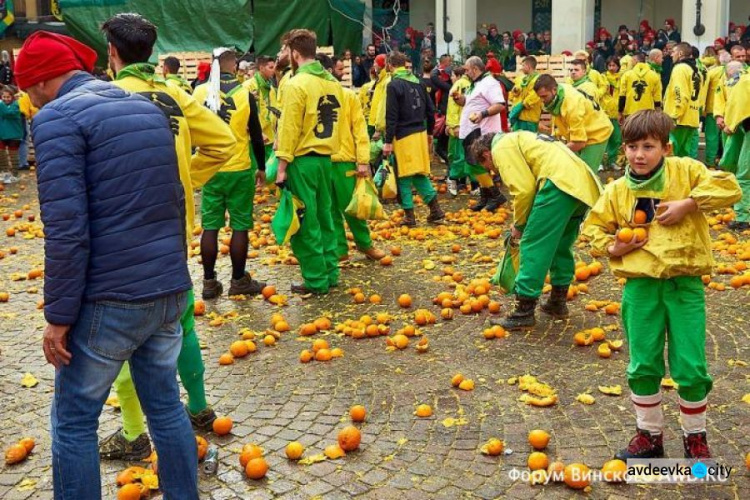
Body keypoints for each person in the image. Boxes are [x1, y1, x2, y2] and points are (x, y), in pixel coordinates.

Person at [16, 31, 200, 499]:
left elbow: (67, 229)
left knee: (74, 420)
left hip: (110, 300)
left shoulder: (56, 119)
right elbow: (175, 199)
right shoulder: (146, 108)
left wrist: (58, 318)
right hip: (166, 290)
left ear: (37, 84)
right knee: (166, 407)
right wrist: (173, 277)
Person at [100, 13, 236, 459]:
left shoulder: (106, 97)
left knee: (119, 334)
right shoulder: (175, 94)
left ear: (113, 53)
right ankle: (198, 408)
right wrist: (185, 181)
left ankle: (135, 433)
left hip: (123, 235)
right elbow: (223, 143)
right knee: (182, 322)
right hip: (173, 229)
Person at [583, 110, 740, 460]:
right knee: (643, 363)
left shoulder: (687, 171)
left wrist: (690, 203)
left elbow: (730, 187)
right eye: (632, 147)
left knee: (691, 365)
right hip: (641, 289)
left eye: (649, 146)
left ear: (666, 148)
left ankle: (695, 438)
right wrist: (613, 247)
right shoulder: (617, 190)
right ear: (623, 149)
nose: (639, 155)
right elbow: (592, 227)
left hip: (685, 286)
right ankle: (649, 435)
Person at [470, 131, 601, 330]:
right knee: (559, 245)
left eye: (487, 167)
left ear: (486, 155)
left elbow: (523, 190)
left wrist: (520, 226)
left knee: (533, 244)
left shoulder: (500, 148)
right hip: (582, 186)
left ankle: (523, 311)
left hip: (558, 185)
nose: (492, 171)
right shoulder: (521, 137)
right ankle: (557, 302)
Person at [193, 48, 268, 299]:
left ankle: (208, 282)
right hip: (238, 168)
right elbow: (256, 135)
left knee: (210, 226)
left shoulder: (200, 91)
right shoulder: (245, 93)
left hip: (210, 168)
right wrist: (261, 166)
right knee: (240, 226)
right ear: (233, 66)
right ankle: (238, 280)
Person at [275, 29, 344, 295]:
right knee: (326, 216)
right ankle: (331, 271)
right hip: (326, 159)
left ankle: (315, 279)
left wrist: (282, 166)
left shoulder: (296, 84)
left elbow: (289, 127)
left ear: (294, 53)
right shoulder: (332, 82)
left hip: (302, 160)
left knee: (305, 221)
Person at [315, 54, 385, 261]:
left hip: (344, 161)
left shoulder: (348, 96)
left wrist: (363, 161)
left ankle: (365, 244)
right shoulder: (308, 95)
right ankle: (339, 249)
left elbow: (360, 131)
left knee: (353, 207)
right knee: (328, 210)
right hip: (320, 160)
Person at [382, 52, 445, 227]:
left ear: (390, 65)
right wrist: (430, 133)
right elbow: (430, 110)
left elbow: (391, 116)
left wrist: (387, 141)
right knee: (418, 173)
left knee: (403, 175)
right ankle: (436, 210)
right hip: (420, 133)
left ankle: (409, 216)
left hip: (403, 135)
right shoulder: (419, 82)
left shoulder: (394, 85)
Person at [456, 56, 507, 212]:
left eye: (467, 69)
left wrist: (483, 114)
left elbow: (500, 105)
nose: (465, 73)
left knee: (476, 165)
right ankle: (486, 198)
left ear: (475, 69)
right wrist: (460, 99)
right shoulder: (475, 84)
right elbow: (470, 103)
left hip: (481, 131)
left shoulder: (490, 83)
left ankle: (496, 195)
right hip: (471, 131)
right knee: (475, 166)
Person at [533, 74, 613, 172]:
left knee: (586, 174)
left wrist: (557, 151)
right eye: (540, 97)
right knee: (574, 169)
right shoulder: (559, 92)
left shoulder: (572, 105)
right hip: (580, 133)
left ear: (554, 90)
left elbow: (579, 142)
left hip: (597, 132)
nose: (542, 100)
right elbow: (558, 118)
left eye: (544, 96)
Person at [720, 71, 750, 230]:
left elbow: (736, 108)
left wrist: (730, 124)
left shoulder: (743, 83)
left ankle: (743, 218)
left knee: (744, 175)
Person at [664, 43, 702, 158]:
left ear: (680, 54)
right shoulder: (695, 70)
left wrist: (675, 116)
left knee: (672, 154)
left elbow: (680, 94)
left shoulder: (680, 69)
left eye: (673, 52)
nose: (671, 55)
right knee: (685, 156)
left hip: (679, 119)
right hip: (691, 117)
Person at [244, 55, 278, 165]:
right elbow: (243, 113)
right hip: (254, 137)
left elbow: (275, 111)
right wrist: (257, 132)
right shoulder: (248, 86)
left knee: (269, 173)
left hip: (270, 137)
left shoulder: (271, 88)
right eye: (271, 67)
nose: (274, 70)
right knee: (256, 170)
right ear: (261, 68)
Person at [446, 66, 471, 196]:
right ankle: (453, 178)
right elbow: (452, 107)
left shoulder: (466, 84)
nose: (451, 77)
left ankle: (473, 184)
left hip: (466, 126)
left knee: (467, 156)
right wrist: (454, 125)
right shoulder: (461, 85)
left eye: (452, 75)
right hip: (463, 126)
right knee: (461, 156)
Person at [619, 52, 662, 122]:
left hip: (630, 111)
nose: (631, 62)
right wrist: (658, 111)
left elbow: (622, 95)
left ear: (635, 60)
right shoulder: (654, 75)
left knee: (632, 132)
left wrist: (620, 112)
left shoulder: (627, 75)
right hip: (648, 112)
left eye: (632, 60)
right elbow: (657, 96)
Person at [509, 56, 542, 132]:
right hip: (519, 117)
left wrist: (521, 105)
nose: (521, 68)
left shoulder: (538, 80)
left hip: (529, 119)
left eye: (523, 65)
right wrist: (516, 91)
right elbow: (513, 94)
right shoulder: (522, 78)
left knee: (529, 141)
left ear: (528, 66)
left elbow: (534, 96)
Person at [0, 86, 24, 184]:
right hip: (2, 133)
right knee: (1, 153)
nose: (6, 99)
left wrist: (1, 104)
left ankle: (14, 174)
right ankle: (5, 172)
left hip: (14, 134)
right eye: (4, 97)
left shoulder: (16, 105)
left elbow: (7, 113)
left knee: (13, 155)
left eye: (8, 97)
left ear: (12, 97)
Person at [602, 57, 622, 169]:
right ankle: (600, 162)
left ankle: (612, 161)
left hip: (617, 112)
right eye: (609, 65)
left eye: (614, 65)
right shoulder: (603, 77)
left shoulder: (621, 78)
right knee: (603, 137)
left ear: (618, 66)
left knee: (616, 138)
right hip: (605, 111)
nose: (611, 68)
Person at [16, 89, 37, 171]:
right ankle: (23, 162)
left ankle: (24, 162)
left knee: (25, 140)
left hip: (27, 116)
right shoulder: (25, 96)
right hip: (24, 116)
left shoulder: (24, 95)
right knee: (24, 140)